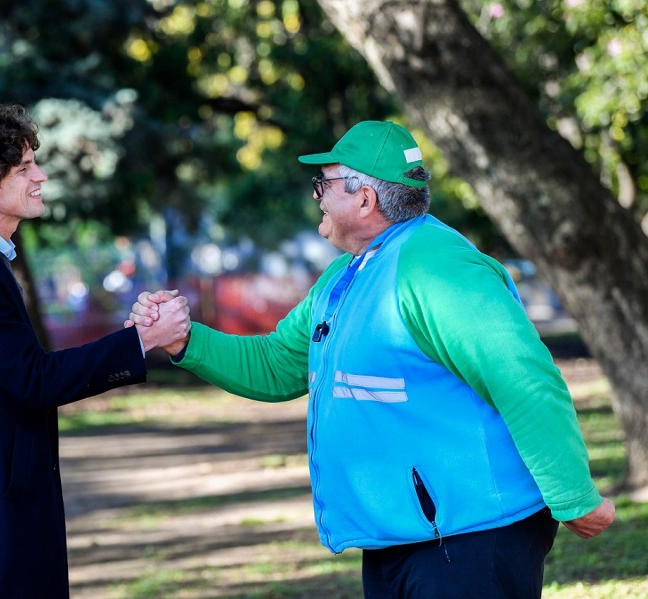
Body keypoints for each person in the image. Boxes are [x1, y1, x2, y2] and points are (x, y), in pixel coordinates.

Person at [129, 120, 614, 598]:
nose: (316, 194)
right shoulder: (348, 273)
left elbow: (524, 381)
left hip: (470, 536)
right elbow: (276, 363)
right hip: (398, 536)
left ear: (365, 198)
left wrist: (572, 496)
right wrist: (183, 340)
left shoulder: (437, 267)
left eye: (325, 183)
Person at [0, 103, 190, 598]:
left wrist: (134, 336)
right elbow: (34, 380)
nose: (41, 175)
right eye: (24, 167)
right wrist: (141, 341)